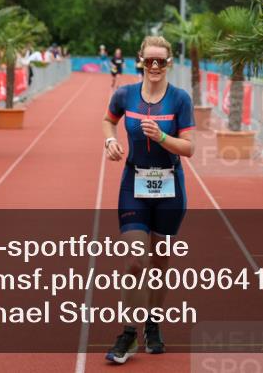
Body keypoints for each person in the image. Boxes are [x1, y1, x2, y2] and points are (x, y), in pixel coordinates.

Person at [101, 35, 195, 364]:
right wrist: (110, 141)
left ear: (169, 63)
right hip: (133, 184)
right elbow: (108, 121)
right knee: (134, 261)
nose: (155, 66)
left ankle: (153, 323)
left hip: (170, 187)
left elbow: (189, 148)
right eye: (149, 60)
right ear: (140, 60)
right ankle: (128, 333)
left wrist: (164, 137)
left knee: (160, 262)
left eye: (161, 61)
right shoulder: (124, 94)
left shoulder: (180, 99)